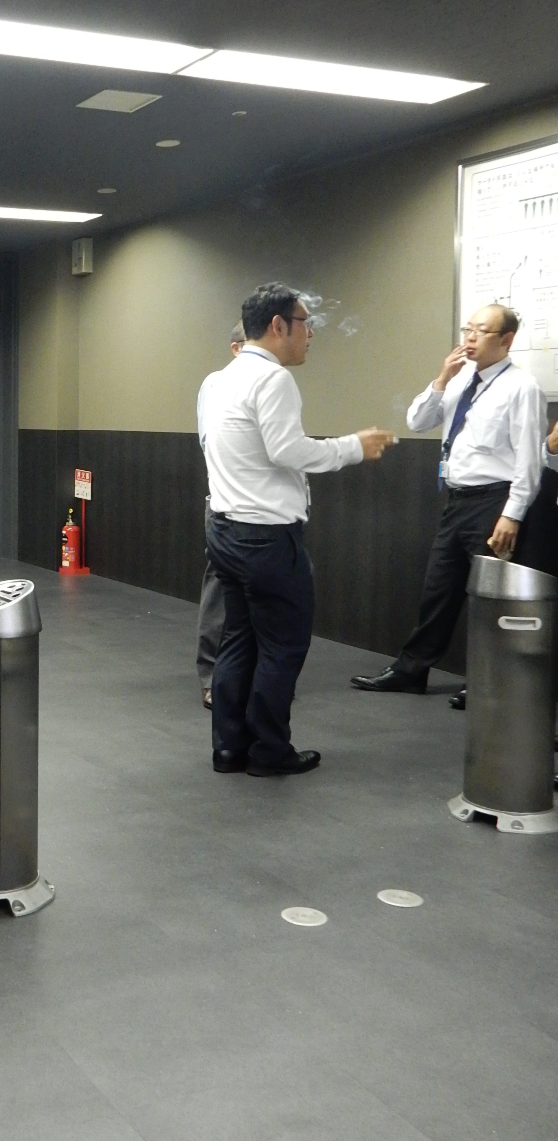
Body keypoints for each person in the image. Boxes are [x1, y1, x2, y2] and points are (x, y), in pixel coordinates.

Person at [200, 282, 395, 775]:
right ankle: (269, 752)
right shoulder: (273, 379)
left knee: (238, 638)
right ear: (278, 325)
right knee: (282, 646)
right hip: (265, 537)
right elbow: (287, 450)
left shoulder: (218, 380)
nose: (311, 334)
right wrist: (353, 447)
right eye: (305, 323)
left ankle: (230, 748)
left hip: (225, 529)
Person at [351, 304, 544, 700]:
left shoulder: (521, 388)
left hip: (494, 502)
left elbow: (529, 460)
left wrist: (512, 514)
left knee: (491, 597)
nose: (469, 338)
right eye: (467, 329)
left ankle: (488, 683)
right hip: (457, 501)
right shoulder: (460, 381)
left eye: (480, 331)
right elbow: (417, 421)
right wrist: (442, 378)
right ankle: (411, 671)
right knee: (438, 590)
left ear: (506, 339)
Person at [196, 321, 245, 708]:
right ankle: (212, 676)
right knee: (220, 589)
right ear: (236, 348)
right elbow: (213, 444)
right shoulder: (216, 385)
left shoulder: (276, 386)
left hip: (268, 512)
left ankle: (254, 674)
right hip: (228, 505)